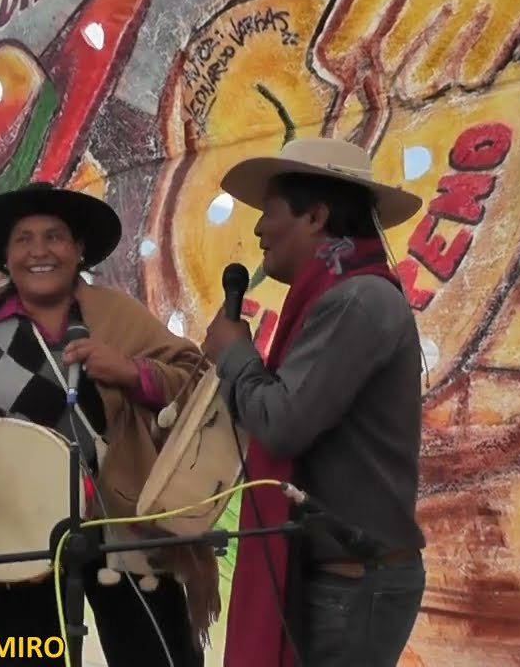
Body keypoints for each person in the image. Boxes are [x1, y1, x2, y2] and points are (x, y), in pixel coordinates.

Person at [0, 182, 218, 667]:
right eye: (23, 239)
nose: (39, 251)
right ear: (6, 256)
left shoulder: (116, 314)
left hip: (122, 528)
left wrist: (130, 372)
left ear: (77, 251)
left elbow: (195, 382)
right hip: (16, 536)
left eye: (54, 236)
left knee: (155, 658)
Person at [201, 138, 428, 667]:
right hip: (340, 582)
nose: (257, 230)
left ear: (316, 216)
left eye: (269, 212)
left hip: (349, 588)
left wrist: (237, 353)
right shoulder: (342, 295)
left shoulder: (357, 300)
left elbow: (281, 422)